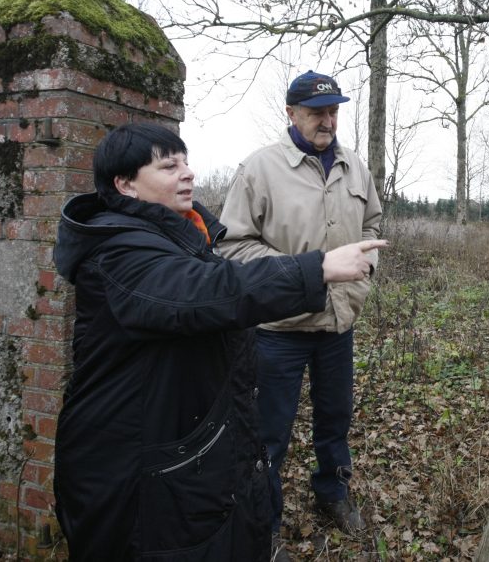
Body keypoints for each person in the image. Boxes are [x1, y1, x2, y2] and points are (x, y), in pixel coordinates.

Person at [52, 122, 385, 561]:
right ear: (125, 184)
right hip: (136, 468)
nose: (187, 173)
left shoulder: (180, 236)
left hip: (185, 448)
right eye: (169, 166)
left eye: (186, 162)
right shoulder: (119, 252)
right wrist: (316, 269)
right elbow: (209, 290)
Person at [218, 70, 382, 556]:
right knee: (269, 433)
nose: (327, 120)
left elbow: (372, 224)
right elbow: (231, 247)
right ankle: (262, 525)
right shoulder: (260, 170)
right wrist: (304, 273)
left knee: (335, 418)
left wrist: (363, 275)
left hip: (337, 325)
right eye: (316, 112)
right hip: (278, 331)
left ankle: (331, 490)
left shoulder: (355, 168)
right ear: (291, 114)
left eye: (333, 111)